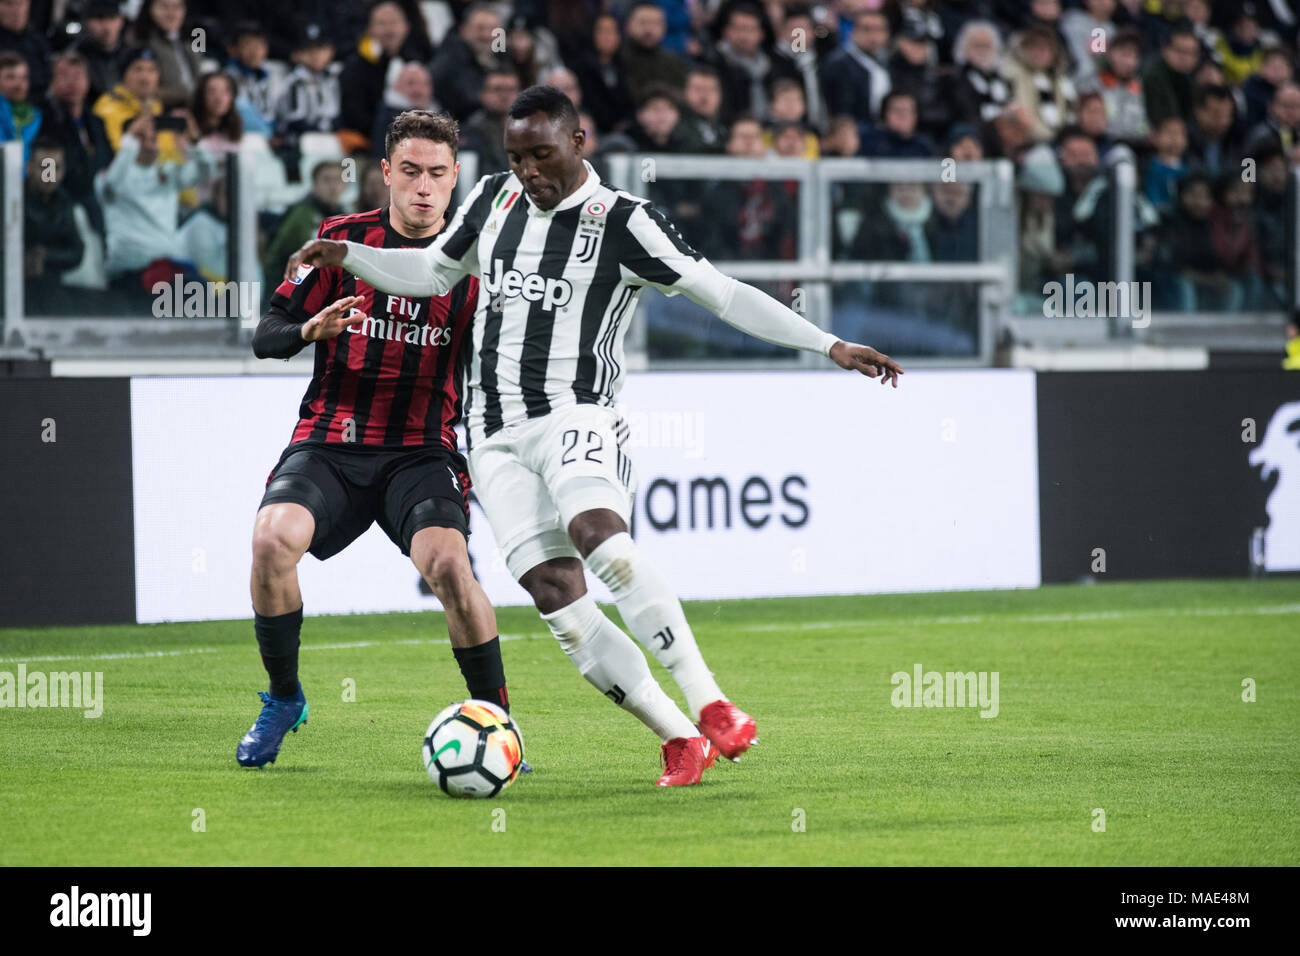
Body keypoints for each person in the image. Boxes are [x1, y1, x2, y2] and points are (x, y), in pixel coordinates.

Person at [286, 85, 902, 787]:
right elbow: (431, 272)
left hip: (577, 413)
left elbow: (723, 293)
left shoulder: (625, 223)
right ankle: (677, 739)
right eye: (517, 156)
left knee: (597, 535)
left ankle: (711, 703)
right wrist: (348, 257)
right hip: (490, 432)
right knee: (557, 596)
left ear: (579, 143)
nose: (529, 171)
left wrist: (829, 344)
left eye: (542, 155)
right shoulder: (492, 199)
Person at [240, 110, 522, 770]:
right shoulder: (340, 241)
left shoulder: (478, 261)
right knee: (271, 539)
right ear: (387, 174)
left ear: (456, 180)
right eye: (412, 173)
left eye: (438, 175)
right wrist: (311, 332)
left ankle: (501, 725)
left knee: (452, 569)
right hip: (331, 442)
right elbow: (266, 334)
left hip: (422, 451)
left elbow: (499, 370)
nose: (424, 188)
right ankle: (284, 699)